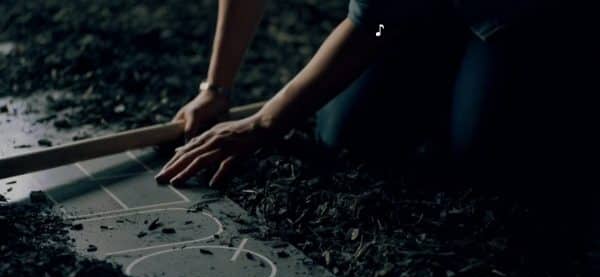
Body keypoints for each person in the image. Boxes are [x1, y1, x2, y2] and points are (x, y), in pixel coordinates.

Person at [154, 0, 592, 190]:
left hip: (523, 12)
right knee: (349, 132)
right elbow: (378, 23)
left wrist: (264, 123)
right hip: (403, 14)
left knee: (485, 155)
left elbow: (366, 29)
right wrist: (216, 89)